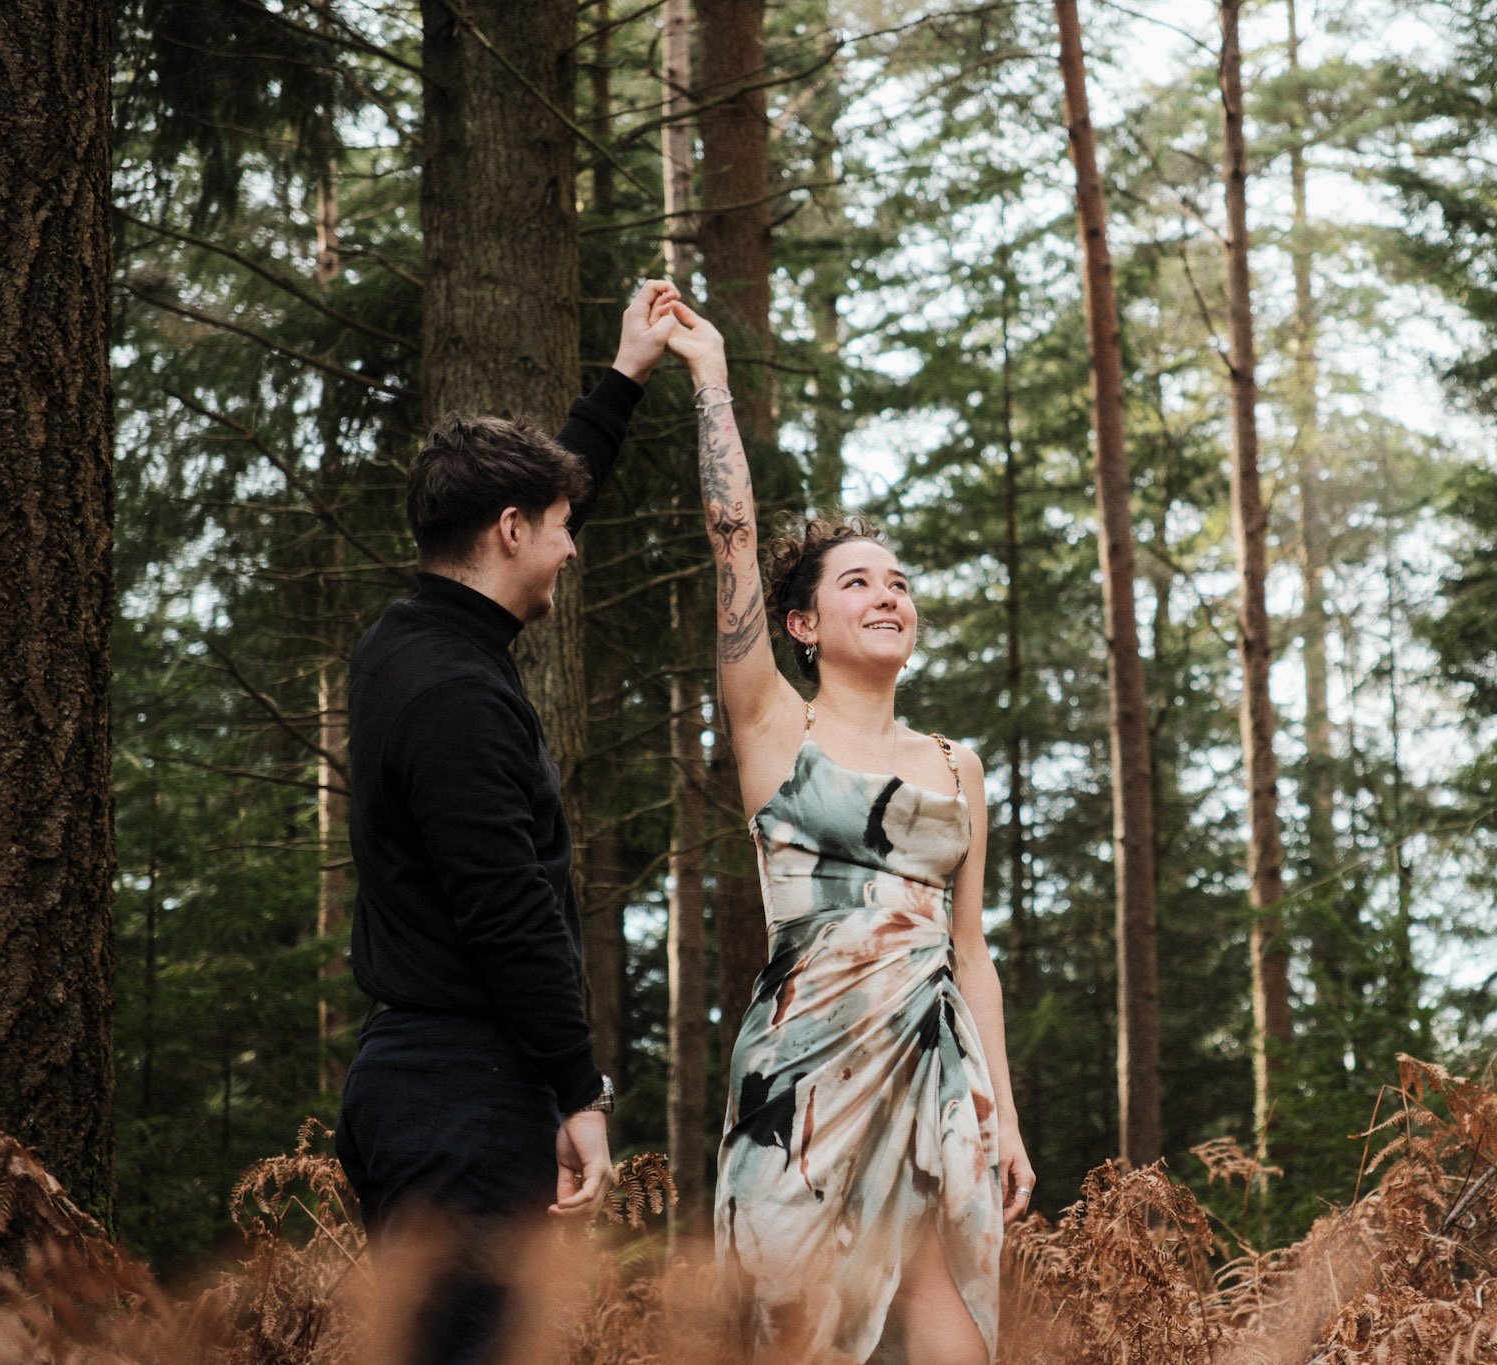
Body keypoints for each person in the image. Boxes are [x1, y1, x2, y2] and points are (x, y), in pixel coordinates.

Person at [653, 292, 1035, 1365]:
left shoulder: (957, 768)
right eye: (857, 581)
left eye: (900, 584)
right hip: (802, 1085)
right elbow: (731, 532)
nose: (889, 595)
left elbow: (970, 952)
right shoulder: (775, 729)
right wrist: (710, 377)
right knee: (789, 1341)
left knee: (951, 1340)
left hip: (939, 1079)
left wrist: (1001, 1113)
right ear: (802, 625)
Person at [333, 280, 683, 1365]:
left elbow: (552, 494)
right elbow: (506, 908)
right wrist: (580, 1091)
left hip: (427, 1084)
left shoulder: (412, 640)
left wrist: (622, 379)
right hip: (463, 1098)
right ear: (507, 528)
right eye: (561, 530)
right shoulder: (458, 697)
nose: (573, 551)